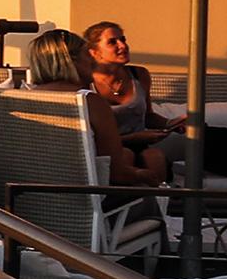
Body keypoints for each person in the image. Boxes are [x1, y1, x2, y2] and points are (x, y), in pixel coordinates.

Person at [27, 27, 167, 187]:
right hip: (87, 198)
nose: (93, 61)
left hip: (29, 197)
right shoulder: (91, 102)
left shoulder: (24, 98)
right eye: (87, 55)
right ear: (72, 61)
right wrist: (142, 175)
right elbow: (117, 174)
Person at [83, 21, 184, 158]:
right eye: (112, 42)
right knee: (126, 155)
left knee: (155, 157)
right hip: (104, 152)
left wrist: (171, 123)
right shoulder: (85, 83)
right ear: (94, 52)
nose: (123, 46)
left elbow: (148, 116)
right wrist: (132, 138)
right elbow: (87, 136)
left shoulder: (139, 75)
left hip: (140, 148)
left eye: (123, 39)